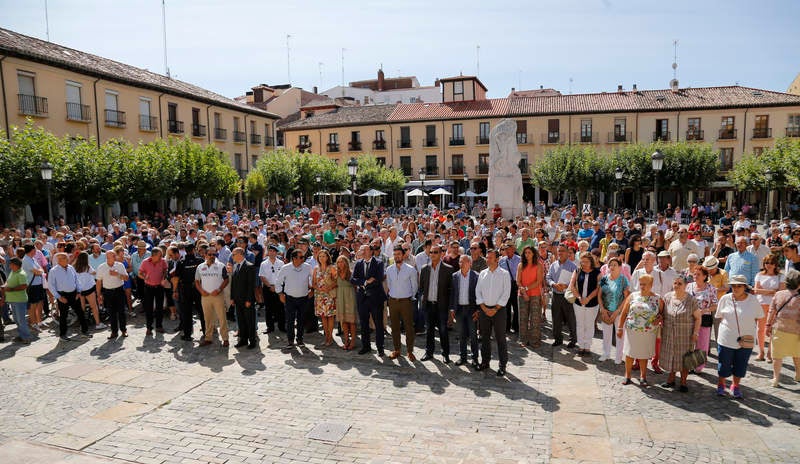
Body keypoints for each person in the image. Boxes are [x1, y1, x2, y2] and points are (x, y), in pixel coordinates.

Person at [715, 274, 764, 399]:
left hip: (746, 339)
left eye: (739, 286)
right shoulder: (725, 299)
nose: (736, 288)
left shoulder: (753, 300)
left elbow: (759, 317)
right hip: (726, 338)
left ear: (745, 287)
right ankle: (721, 384)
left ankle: (735, 385)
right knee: (724, 363)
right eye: (733, 286)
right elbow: (719, 316)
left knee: (741, 364)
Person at [616, 274, 662, 386]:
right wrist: (620, 327)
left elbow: (662, 313)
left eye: (645, 284)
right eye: (640, 284)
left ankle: (643, 376)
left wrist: (659, 319)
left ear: (651, 285)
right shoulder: (633, 296)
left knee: (644, 354)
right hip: (632, 330)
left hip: (648, 332)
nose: (642, 286)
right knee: (629, 353)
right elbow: (624, 313)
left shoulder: (657, 298)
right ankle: (627, 375)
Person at [659, 276, 702, 392]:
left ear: (685, 285)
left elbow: (698, 318)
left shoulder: (691, 300)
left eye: (680, 283)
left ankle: (683, 381)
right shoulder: (667, 297)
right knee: (671, 356)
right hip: (669, 333)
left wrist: (696, 333)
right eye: (675, 283)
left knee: (685, 358)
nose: (677, 285)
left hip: (685, 334)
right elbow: (661, 314)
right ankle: (671, 379)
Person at [476, 249, 512, 376]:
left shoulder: (504, 274)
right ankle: (485, 361)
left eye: (490, 257)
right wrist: (484, 308)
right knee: (484, 337)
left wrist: (495, 309)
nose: (488, 259)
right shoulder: (482, 273)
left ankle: (502, 365)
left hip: (499, 311)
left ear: (497, 259)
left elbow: (506, 293)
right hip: (484, 310)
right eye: (487, 257)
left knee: (500, 338)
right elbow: (478, 292)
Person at [351, 244, 388, 356]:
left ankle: (380, 347)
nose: (362, 251)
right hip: (362, 298)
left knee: (378, 324)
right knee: (364, 324)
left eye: (364, 249)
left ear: (371, 251)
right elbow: (353, 279)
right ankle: (366, 346)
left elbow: (379, 278)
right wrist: (366, 282)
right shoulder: (358, 263)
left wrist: (364, 282)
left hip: (376, 298)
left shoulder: (378, 263)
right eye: (362, 249)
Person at [766, 269, 800, 387]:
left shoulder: (778, 294)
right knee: (797, 354)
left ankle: (775, 379)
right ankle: (798, 374)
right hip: (796, 331)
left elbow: (771, 312)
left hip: (779, 329)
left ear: (786, 283)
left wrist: (767, 326)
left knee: (777, 356)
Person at [419, 244, 453, 362]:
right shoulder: (424, 269)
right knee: (429, 330)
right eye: (431, 252)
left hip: (441, 306)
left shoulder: (448, 269)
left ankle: (445, 354)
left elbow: (451, 291)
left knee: (443, 330)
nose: (432, 254)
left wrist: (450, 309)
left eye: (435, 252)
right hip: (428, 305)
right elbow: (422, 287)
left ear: (441, 254)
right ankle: (429, 352)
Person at [48, 252, 91, 341]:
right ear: (59, 260)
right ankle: (63, 335)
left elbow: (76, 280)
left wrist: (79, 292)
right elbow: (51, 286)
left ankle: (84, 331)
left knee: (80, 313)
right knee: (63, 315)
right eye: (65, 258)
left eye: (67, 258)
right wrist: (59, 297)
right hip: (62, 295)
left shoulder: (71, 267)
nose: (68, 260)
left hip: (74, 294)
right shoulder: (53, 271)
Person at [385, 245, 419, 361]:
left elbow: (415, 286)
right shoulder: (389, 270)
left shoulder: (410, 269)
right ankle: (397, 350)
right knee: (394, 327)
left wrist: (409, 297)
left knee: (409, 327)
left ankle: (410, 351)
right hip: (393, 301)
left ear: (403, 255)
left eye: (398, 254)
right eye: (394, 254)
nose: (396, 256)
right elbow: (389, 285)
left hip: (406, 301)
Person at [276, 249, 313, 350]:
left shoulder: (307, 267)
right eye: (301, 257)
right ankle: (290, 341)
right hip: (290, 298)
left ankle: (300, 339)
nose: (303, 259)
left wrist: (312, 290)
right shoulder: (285, 268)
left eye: (303, 257)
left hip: (304, 298)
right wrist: (280, 294)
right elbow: (278, 282)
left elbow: (314, 279)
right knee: (290, 320)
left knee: (301, 320)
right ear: (294, 258)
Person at [686, 266, 718, 373]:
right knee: (689, 342)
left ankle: (698, 367)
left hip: (705, 317)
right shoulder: (689, 286)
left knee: (702, 343)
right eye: (694, 274)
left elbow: (715, 305)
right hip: (690, 318)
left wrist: (705, 310)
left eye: (698, 274)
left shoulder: (711, 288)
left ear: (705, 276)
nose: (695, 276)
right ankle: (689, 365)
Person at [195, 249, 229, 347]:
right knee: (207, 318)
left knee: (222, 317)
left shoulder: (221, 266)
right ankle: (208, 338)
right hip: (205, 296)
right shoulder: (200, 267)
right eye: (210, 254)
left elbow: (226, 280)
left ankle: (225, 338)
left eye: (214, 254)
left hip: (218, 295)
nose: (212, 256)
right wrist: (201, 291)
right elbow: (197, 281)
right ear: (205, 255)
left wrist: (219, 290)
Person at [753, 254, 785, 361]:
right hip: (760, 304)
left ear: (775, 264)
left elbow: (780, 292)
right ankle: (761, 352)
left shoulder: (781, 276)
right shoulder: (759, 275)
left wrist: (764, 291)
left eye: (771, 263)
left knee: (772, 329)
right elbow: (756, 290)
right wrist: (772, 291)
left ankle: (770, 353)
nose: (769, 265)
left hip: (775, 306)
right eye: (767, 263)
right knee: (759, 329)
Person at [450, 254, 479, 367]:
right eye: (460, 262)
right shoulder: (455, 276)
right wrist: (452, 308)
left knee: (473, 335)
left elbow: (479, 294)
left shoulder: (476, 276)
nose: (461, 264)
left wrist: (478, 310)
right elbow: (452, 294)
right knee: (461, 335)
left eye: (464, 261)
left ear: (470, 263)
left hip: (471, 309)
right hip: (459, 309)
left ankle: (475, 358)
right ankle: (463, 357)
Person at [598, 257, 630, 363]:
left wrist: (617, 311)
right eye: (610, 265)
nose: (612, 267)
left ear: (620, 267)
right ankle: (606, 354)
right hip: (606, 311)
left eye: (615, 265)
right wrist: (602, 309)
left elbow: (626, 297)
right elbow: (599, 295)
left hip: (619, 312)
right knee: (606, 334)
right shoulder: (604, 279)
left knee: (619, 334)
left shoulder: (623, 279)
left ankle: (618, 356)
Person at [569, 252, 601, 356]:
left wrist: (588, 298)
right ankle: (581, 346)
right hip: (578, 303)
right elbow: (572, 285)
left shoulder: (598, 272)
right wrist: (579, 297)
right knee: (580, 324)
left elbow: (598, 288)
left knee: (589, 325)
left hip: (592, 303)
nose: (584, 264)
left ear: (591, 261)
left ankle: (587, 347)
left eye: (586, 261)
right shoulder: (577, 271)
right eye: (582, 261)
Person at [172, 243, 205, 341]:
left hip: (186, 289)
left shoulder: (181, 262)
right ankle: (206, 331)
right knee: (201, 311)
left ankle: (187, 334)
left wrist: (175, 290)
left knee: (187, 312)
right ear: (194, 249)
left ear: (185, 251)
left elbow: (176, 278)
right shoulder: (200, 261)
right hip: (198, 288)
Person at [95, 250, 128, 339]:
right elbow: (98, 282)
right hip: (108, 292)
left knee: (121, 312)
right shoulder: (101, 267)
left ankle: (124, 330)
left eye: (113, 256)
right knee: (111, 313)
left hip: (119, 290)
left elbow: (126, 278)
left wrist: (117, 274)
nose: (111, 258)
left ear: (115, 256)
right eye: (108, 256)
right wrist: (98, 295)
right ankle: (114, 332)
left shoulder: (120, 265)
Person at [517, 245, 544, 348]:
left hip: (535, 294)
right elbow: (518, 280)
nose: (527, 255)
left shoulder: (538, 265)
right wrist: (524, 292)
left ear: (533, 254)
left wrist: (526, 289)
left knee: (535, 318)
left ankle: (534, 340)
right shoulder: (520, 265)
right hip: (522, 294)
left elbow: (539, 281)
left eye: (529, 252)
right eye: (525, 253)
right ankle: (523, 339)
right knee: (523, 318)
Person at [230, 247, 258, 349]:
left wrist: (249, 300)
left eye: (233, 254)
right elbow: (233, 284)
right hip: (237, 299)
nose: (232, 256)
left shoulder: (249, 266)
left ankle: (252, 341)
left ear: (240, 254)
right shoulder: (235, 266)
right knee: (241, 321)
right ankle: (243, 340)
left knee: (250, 321)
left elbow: (251, 285)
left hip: (247, 300)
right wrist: (232, 297)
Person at [138, 247, 168, 337]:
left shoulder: (162, 261)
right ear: (154, 256)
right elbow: (140, 273)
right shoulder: (145, 262)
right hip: (149, 287)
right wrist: (144, 277)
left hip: (159, 287)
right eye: (160, 255)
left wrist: (164, 278)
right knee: (149, 308)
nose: (161, 257)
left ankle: (159, 326)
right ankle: (149, 328)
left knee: (159, 307)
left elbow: (165, 270)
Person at [313, 249, 337, 346]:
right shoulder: (316, 269)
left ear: (327, 257)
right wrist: (319, 288)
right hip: (319, 296)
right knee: (323, 317)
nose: (322, 258)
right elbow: (313, 283)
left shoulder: (331, 268)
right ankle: (326, 337)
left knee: (330, 317)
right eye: (320, 256)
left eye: (323, 256)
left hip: (329, 295)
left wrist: (329, 287)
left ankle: (330, 338)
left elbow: (336, 281)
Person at [3, 257, 30, 344]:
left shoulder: (21, 274)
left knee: (21, 319)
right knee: (17, 319)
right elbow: (8, 281)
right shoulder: (13, 272)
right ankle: (21, 335)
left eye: (11, 264)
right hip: (13, 300)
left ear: (15, 265)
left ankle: (26, 338)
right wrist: (5, 285)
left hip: (19, 300)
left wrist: (10, 289)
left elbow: (24, 286)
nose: (9, 266)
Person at [258, 245, 285, 334]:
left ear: (276, 252)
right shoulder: (264, 263)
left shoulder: (281, 263)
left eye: (274, 251)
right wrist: (270, 286)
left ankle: (282, 326)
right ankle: (270, 327)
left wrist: (276, 287)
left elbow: (283, 276)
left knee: (280, 308)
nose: (272, 253)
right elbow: (262, 276)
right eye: (270, 251)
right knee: (268, 308)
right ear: (268, 252)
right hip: (268, 288)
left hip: (279, 287)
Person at [335, 255, 357, 351]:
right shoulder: (336, 273)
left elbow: (356, 286)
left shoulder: (351, 273)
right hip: (340, 297)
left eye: (342, 261)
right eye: (338, 262)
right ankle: (346, 340)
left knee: (351, 321)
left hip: (350, 297)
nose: (340, 263)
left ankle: (353, 341)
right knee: (343, 320)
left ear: (346, 262)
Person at [498, 243, 521, 333]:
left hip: (515, 285)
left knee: (516, 307)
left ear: (514, 249)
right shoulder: (502, 260)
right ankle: (506, 327)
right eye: (505, 249)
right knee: (506, 307)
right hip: (505, 285)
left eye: (509, 248)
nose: (507, 251)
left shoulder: (519, 260)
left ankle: (516, 326)